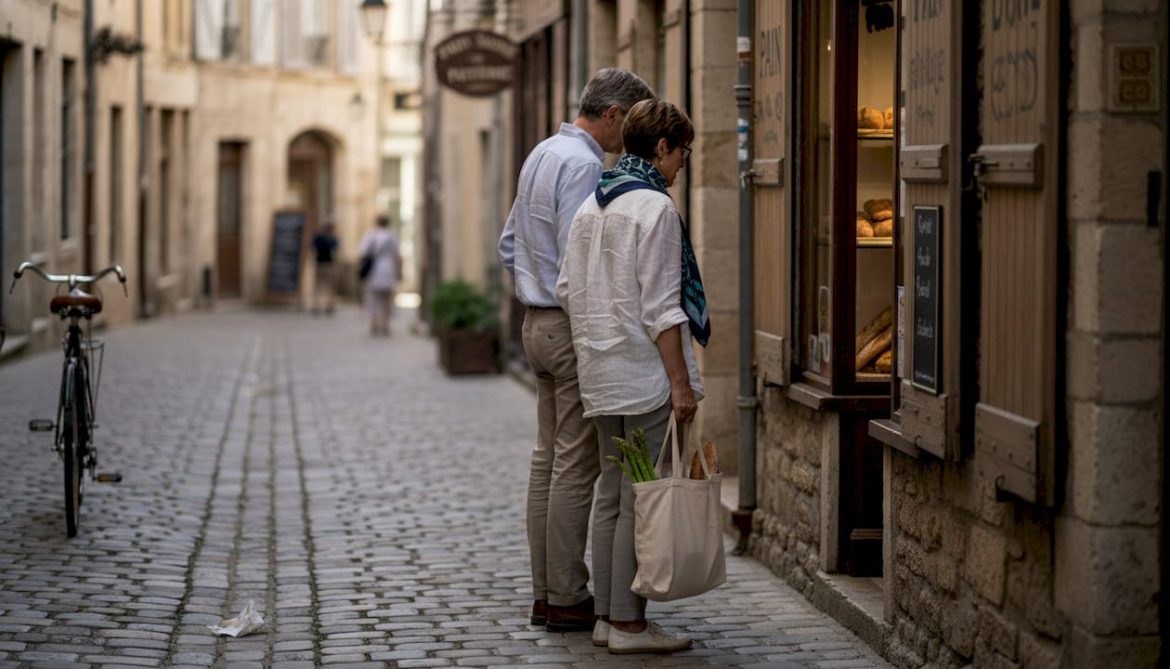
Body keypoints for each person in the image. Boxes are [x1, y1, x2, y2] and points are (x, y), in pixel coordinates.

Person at [498, 68, 655, 633]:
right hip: (565, 329)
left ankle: (546, 592)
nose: (627, 137)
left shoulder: (543, 151)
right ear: (612, 115)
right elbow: (579, 263)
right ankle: (567, 595)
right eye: (628, 123)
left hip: (534, 325)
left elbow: (508, 243)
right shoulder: (587, 164)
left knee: (548, 460)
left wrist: (531, 293)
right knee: (576, 464)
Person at [555, 98, 707, 654]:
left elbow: (567, 291)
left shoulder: (593, 204)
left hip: (600, 372)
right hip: (643, 375)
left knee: (612, 496)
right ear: (661, 147)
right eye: (682, 151)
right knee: (642, 498)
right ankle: (629, 624)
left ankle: (604, 618)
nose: (683, 163)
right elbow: (665, 310)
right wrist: (681, 385)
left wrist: (598, 341)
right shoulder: (654, 209)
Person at [359, 215, 402, 336]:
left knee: (374, 298)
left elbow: (363, 253)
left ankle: (374, 322)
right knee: (387, 299)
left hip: (375, 269)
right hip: (388, 269)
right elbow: (397, 256)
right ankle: (385, 324)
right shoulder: (392, 236)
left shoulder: (371, 236)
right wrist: (399, 272)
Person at [310, 220, 339, 315]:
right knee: (329, 286)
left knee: (318, 285)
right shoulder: (331, 238)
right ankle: (328, 304)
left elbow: (312, 246)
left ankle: (317, 304)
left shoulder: (318, 237)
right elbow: (336, 247)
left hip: (320, 263)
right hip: (328, 263)